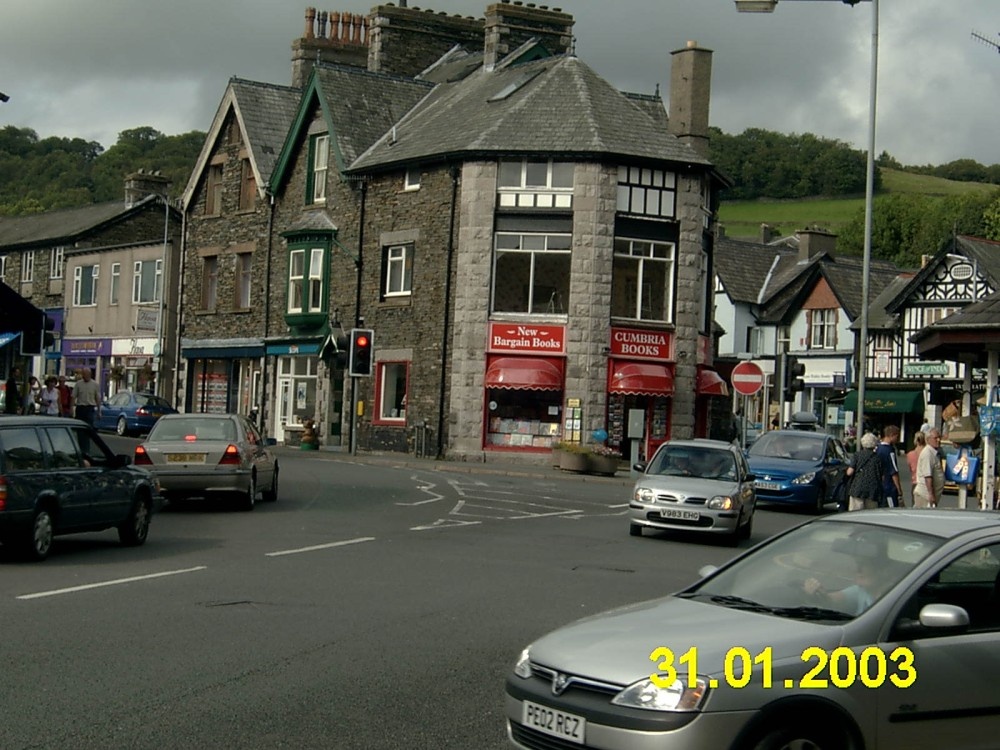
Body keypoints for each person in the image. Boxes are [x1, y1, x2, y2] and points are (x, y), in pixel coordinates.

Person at [804, 559, 884, 616]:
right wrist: (818, 592)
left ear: (880, 570)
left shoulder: (890, 601)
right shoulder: (862, 590)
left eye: (864, 564)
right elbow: (831, 599)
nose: (858, 569)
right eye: (857, 564)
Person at [845, 432, 882, 511]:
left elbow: (850, 472)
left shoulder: (857, 455)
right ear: (874, 444)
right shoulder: (877, 458)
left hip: (857, 488)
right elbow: (881, 475)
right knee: (870, 515)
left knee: (855, 514)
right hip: (872, 490)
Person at [914, 429, 945, 508]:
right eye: (935, 438)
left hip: (930, 496)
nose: (938, 440)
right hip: (925, 496)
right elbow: (928, 476)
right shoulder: (927, 454)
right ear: (928, 440)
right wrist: (930, 495)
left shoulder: (935, 453)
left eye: (939, 437)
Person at [876, 425, 903, 508]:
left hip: (879, 485)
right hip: (889, 487)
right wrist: (899, 490)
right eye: (897, 436)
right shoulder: (889, 451)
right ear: (892, 435)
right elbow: (894, 471)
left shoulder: (877, 448)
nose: (897, 439)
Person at [906, 432, 926, 504]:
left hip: (915, 483)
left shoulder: (910, 454)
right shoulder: (928, 453)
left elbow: (911, 469)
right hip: (926, 483)